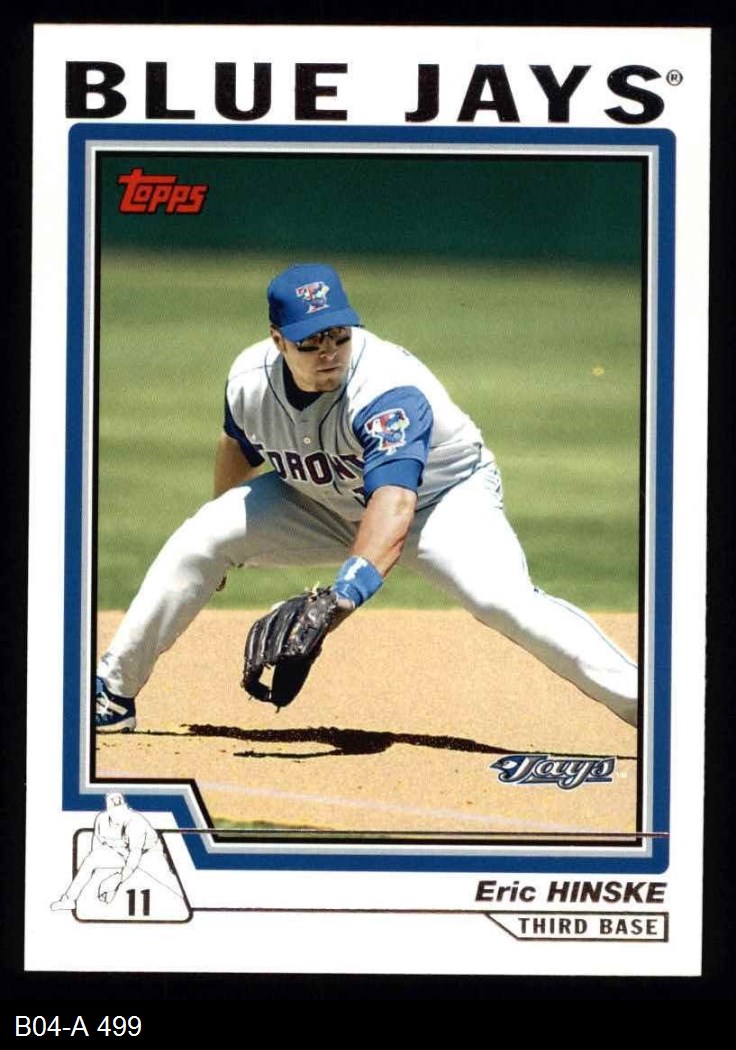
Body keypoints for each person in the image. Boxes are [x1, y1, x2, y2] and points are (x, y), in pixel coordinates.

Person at [95, 262, 638, 733]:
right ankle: (112, 693)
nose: (328, 352)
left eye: (338, 336)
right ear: (278, 341)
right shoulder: (248, 380)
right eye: (310, 342)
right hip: (318, 502)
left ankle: (652, 708)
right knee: (200, 538)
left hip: (440, 502)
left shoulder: (386, 389)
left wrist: (342, 597)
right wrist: (223, 542)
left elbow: (395, 503)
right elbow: (238, 444)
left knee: (505, 603)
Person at [50, 792, 182, 909]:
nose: (119, 815)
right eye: (115, 811)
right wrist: (101, 872)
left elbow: (134, 855)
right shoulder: (101, 819)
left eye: (121, 810)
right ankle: (69, 900)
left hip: (149, 853)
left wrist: (117, 879)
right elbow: (97, 846)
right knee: (89, 861)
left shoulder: (135, 822)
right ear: (109, 810)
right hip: (120, 852)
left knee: (169, 883)